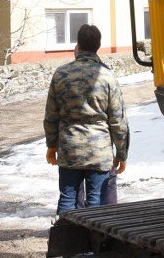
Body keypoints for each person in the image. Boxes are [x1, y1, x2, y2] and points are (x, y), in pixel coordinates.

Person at [44, 24, 129, 218]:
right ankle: (93, 245)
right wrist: (121, 153)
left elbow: (51, 115)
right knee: (95, 202)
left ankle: (66, 243)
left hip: (69, 148)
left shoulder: (61, 74)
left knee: (67, 198)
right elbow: (118, 120)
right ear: (98, 45)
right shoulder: (107, 77)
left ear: (78, 45)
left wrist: (51, 145)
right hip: (99, 151)